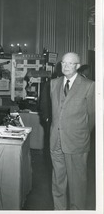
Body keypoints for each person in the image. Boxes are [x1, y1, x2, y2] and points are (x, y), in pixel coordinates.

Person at [49, 52, 95, 210]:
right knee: (58, 181)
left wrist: (80, 134)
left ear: (78, 66)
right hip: (56, 141)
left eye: (70, 63)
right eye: (63, 63)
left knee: (77, 184)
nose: (65, 66)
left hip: (77, 141)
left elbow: (92, 117)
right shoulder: (54, 83)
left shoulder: (89, 85)